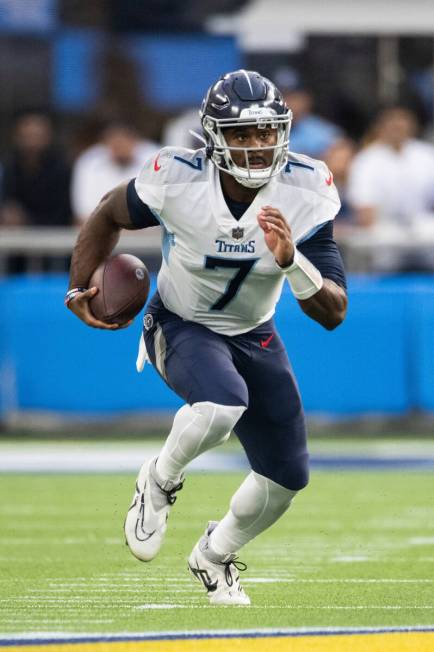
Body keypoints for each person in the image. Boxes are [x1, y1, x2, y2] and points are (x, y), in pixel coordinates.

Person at [66, 70, 347, 606]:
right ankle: (159, 479)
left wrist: (293, 263)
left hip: (253, 332)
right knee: (221, 403)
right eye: (241, 135)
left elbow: (332, 311)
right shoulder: (178, 176)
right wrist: (80, 286)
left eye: (265, 132)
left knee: (287, 477)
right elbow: (107, 211)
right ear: (214, 136)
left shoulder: (306, 187)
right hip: (181, 321)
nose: (257, 145)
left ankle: (214, 556)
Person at [347, 106, 434, 271]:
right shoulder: (367, 160)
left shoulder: (427, 155)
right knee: (381, 241)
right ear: (381, 127)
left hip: (423, 226)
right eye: (392, 125)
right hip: (384, 229)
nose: (397, 129)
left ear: (412, 126)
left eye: (401, 124)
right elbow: (364, 209)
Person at [71, 121, 158, 224]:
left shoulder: (156, 158)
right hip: (101, 233)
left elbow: (164, 212)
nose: (119, 146)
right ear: (105, 142)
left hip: (150, 235)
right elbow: (83, 214)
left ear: (135, 140)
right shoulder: (90, 161)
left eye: (124, 139)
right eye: (114, 141)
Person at [0, 110, 72, 228]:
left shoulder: (62, 170)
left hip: (54, 236)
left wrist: (26, 220)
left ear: (48, 136)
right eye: (26, 136)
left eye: (36, 136)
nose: (31, 143)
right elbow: (8, 203)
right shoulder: (10, 167)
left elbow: (62, 214)